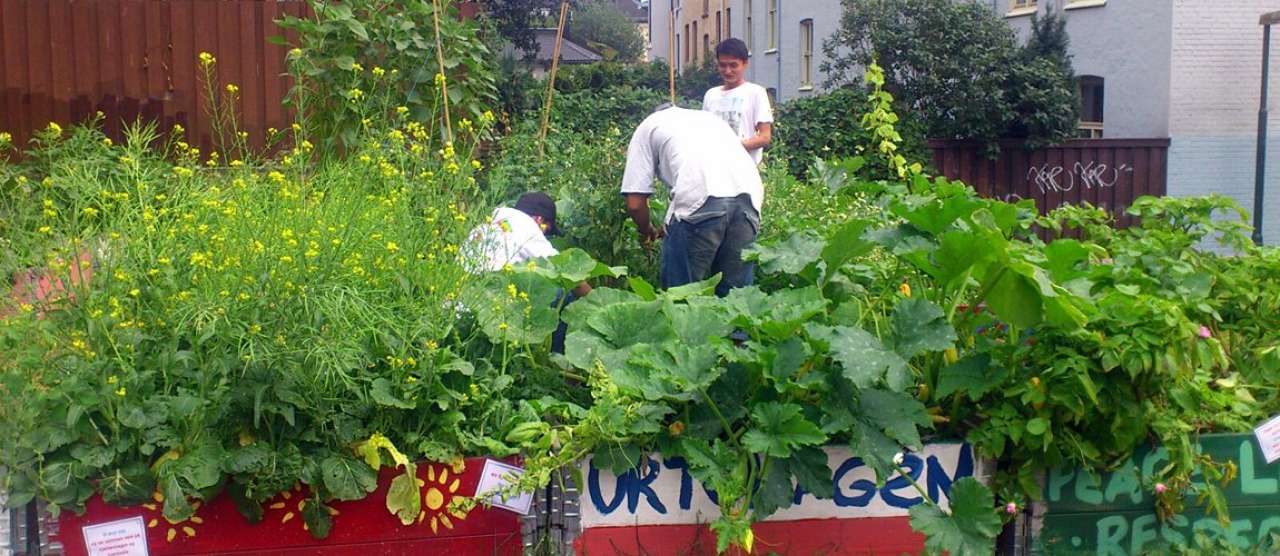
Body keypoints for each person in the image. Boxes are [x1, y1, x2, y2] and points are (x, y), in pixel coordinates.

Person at [621, 105, 763, 297]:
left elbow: (635, 203)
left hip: (700, 198)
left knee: (682, 299)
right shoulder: (708, 119)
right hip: (749, 198)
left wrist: (646, 231)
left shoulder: (648, 126)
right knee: (738, 301)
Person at [464, 191, 589, 352]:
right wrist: (595, 302)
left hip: (464, 306)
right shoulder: (526, 226)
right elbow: (563, 271)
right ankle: (557, 362)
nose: (544, 235)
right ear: (539, 219)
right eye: (547, 231)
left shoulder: (487, 224)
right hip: (493, 304)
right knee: (565, 293)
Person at [701, 38, 773, 164]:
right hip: (714, 168)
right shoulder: (710, 95)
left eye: (733, 65)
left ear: (745, 63)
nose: (728, 71)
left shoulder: (756, 93)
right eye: (723, 65)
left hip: (745, 169)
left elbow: (765, 137)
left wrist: (734, 147)